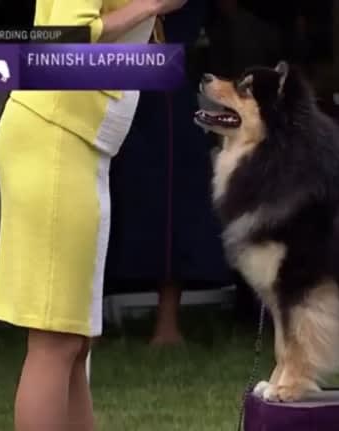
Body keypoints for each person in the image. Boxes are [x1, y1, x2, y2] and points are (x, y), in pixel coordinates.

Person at [0, 0, 187, 429]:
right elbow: (64, 40)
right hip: (56, 140)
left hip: (79, 146)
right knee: (55, 341)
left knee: (74, 341)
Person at [105, 0, 234, 346]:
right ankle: (90, 321)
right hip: (103, 71)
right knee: (99, 190)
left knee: (172, 193)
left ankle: (167, 323)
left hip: (164, 82)